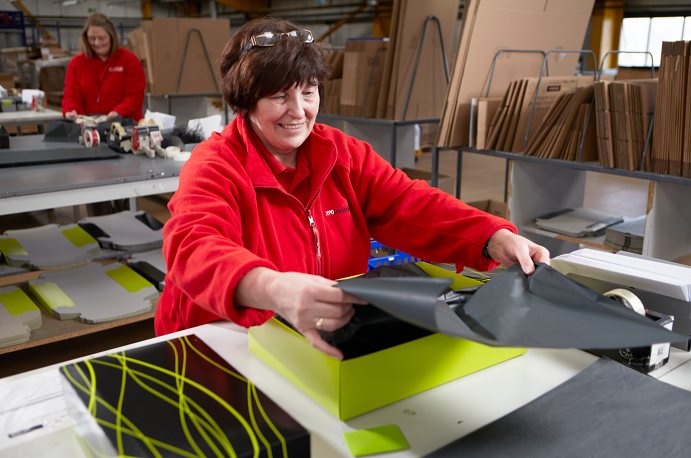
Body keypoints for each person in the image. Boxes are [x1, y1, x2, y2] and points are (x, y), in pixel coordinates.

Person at [155, 17, 550, 360]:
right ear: (245, 102)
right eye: (279, 96)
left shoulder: (341, 154)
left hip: (315, 339)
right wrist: (272, 287)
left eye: (308, 92)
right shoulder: (215, 165)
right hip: (220, 343)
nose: (299, 111)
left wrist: (491, 236)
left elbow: (408, 203)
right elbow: (193, 246)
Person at [62, 13, 145, 122]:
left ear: (111, 36)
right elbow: (71, 95)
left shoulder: (130, 61)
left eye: (102, 38)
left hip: (125, 123)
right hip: (90, 126)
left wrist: (119, 112)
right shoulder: (76, 64)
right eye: (92, 38)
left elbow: (135, 96)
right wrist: (70, 111)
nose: (97, 43)